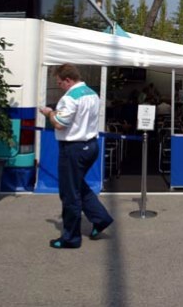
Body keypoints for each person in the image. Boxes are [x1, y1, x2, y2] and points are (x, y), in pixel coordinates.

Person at [39, 64, 113, 249]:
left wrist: (50, 113)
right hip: (91, 145)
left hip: (73, 149)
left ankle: (71, 238)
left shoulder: (69, 98)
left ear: (68, 80)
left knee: (70, 194)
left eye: (60, 83)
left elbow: (59, 124)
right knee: (77, 186)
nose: (59, 86)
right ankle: (100, 218)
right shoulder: (92, 94)